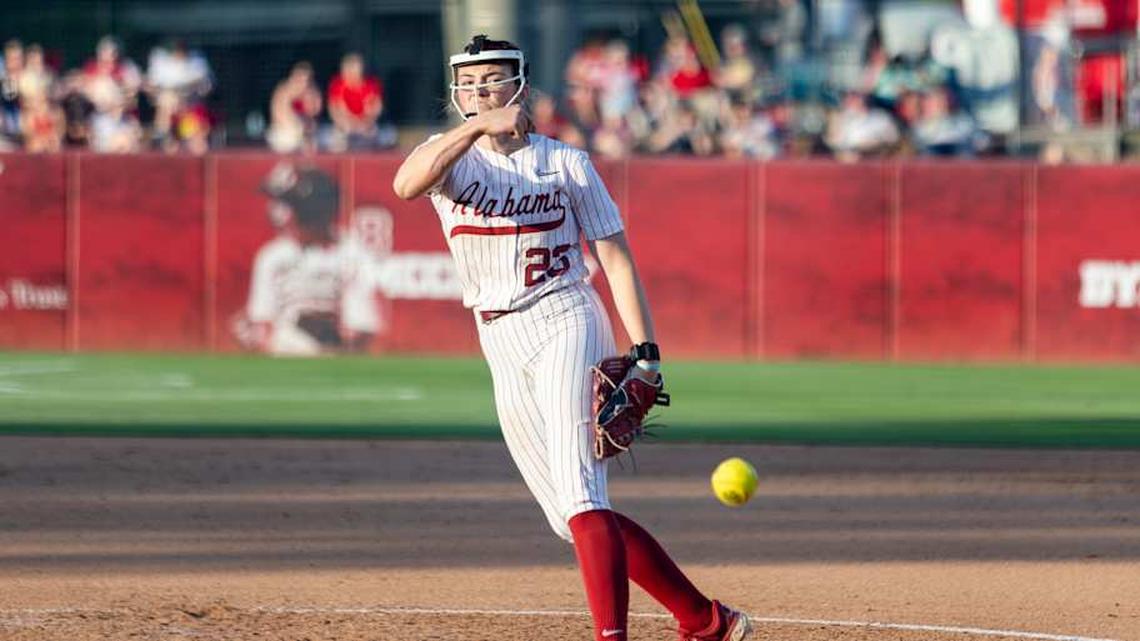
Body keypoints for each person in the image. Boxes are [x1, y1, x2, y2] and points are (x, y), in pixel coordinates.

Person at [392, 35, 752, 641]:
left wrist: (646, 355)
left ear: (520, 85)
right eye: (471, 81)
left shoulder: (564, 162)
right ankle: (705, 619)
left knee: (583, 492)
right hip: (498, 338)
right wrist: (477, 129)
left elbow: (614, 258)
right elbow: (405, 185)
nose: (481, 89)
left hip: (566, 315)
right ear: (457, 92)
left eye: (494, 78)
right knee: (570, 515)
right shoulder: (449, 155)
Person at [240, 163, 378, 356]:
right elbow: (262, 324)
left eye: (286, 203)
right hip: (284, 350)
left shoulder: (351, 251)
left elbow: (362, 327)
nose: (276, 211)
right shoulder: (273, 255)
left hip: (337, 353)